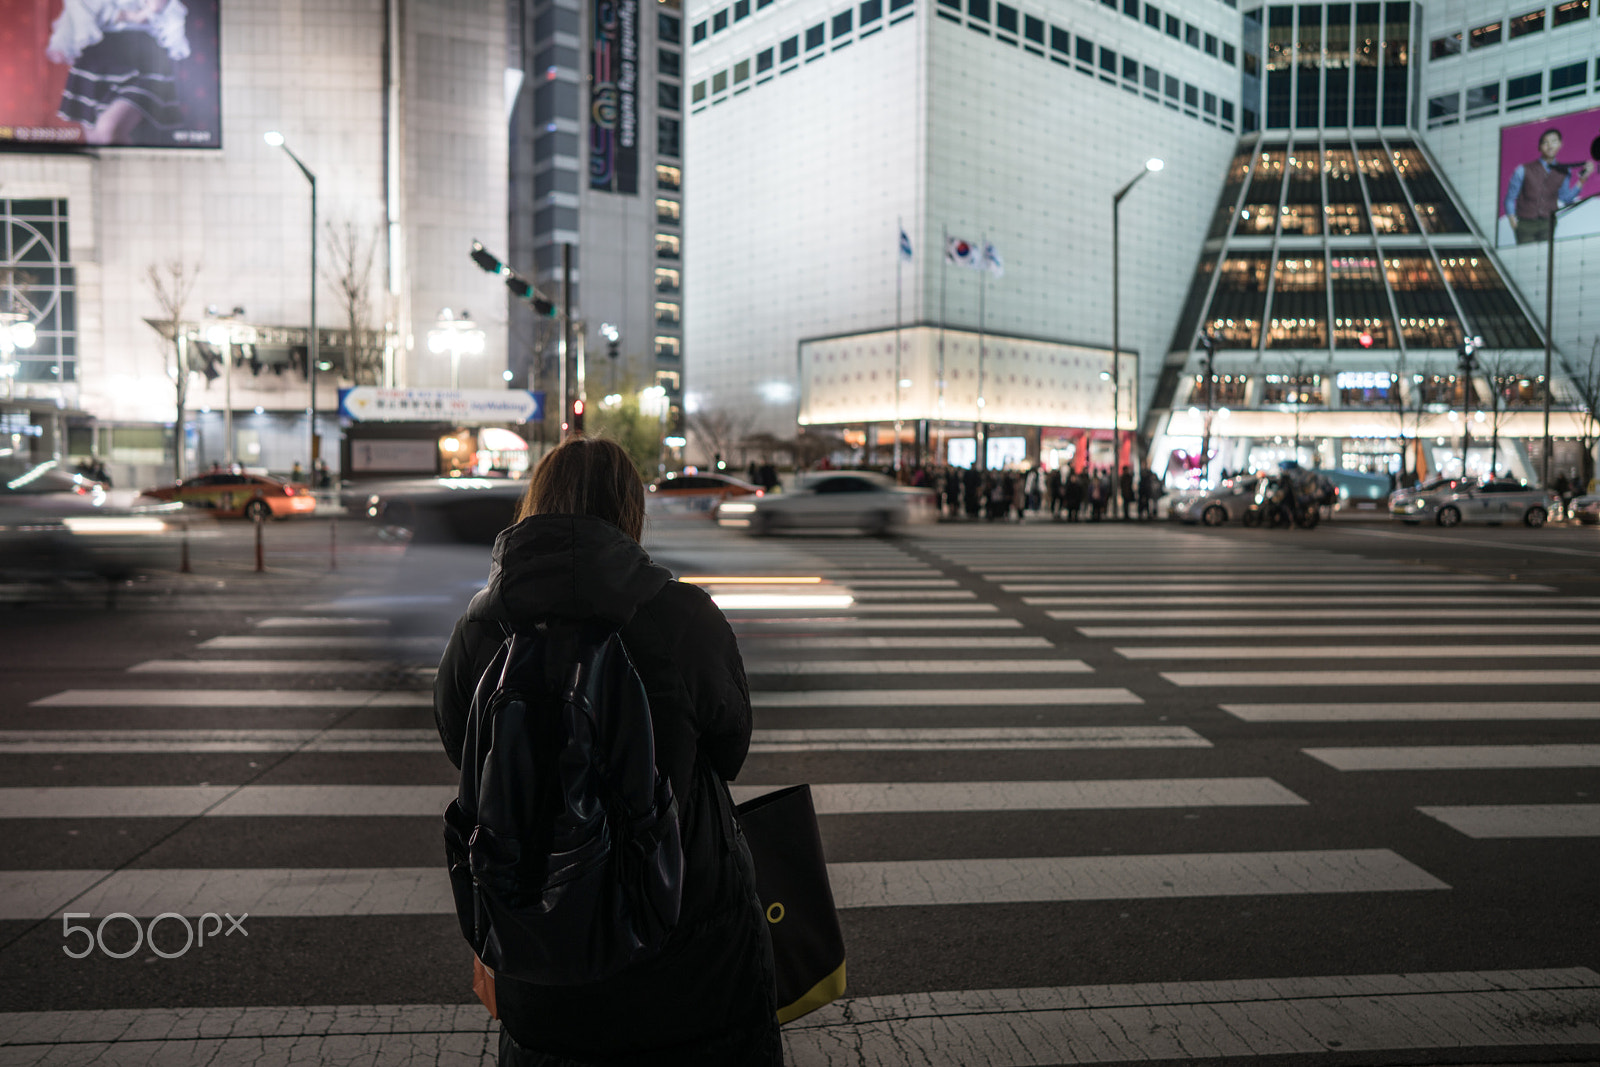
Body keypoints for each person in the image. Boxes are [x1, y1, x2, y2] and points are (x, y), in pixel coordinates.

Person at [433, 436, 782, 1066]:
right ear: (631, 511)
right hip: (687, 952)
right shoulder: (682, 615)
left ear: (535, 503)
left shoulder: (480, 627)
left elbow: (465, 752)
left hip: (536, 949)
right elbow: (731, 749)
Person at [47, 0, 191, 146]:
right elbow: (79, 11)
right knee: (96, 141)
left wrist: (142, 13)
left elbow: (159, 10)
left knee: (108, 132)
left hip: (141, 57)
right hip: (95, 58)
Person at [1505, 128, 1595, 244]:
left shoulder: (1563, 170)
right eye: (1545, 142)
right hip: (1525, 224)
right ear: (1540, 147)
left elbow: (1566, 197)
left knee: (1546, 258)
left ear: (1560, 144)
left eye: (1554, 141)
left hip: (1548, 223)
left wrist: (1583, 179)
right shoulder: (1523, 170)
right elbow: (1510, 198)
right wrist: (1513, 223)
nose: (1550, 146)